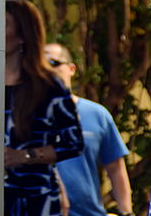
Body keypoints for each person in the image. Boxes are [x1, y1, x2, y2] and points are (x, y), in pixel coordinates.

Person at [4, 0, 83, 216]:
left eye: (4, 24)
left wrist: (24, 156)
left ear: (22, 36)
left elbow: (73, 143)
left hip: (39, 200)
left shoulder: (49, 86)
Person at [44, 43, 134, 216]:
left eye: (54, 63)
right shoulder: (27, 115)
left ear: (71, 69)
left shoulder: (97, 114)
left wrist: (126, 213)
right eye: (43, 65)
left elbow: (116, 168)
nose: (48, 69)